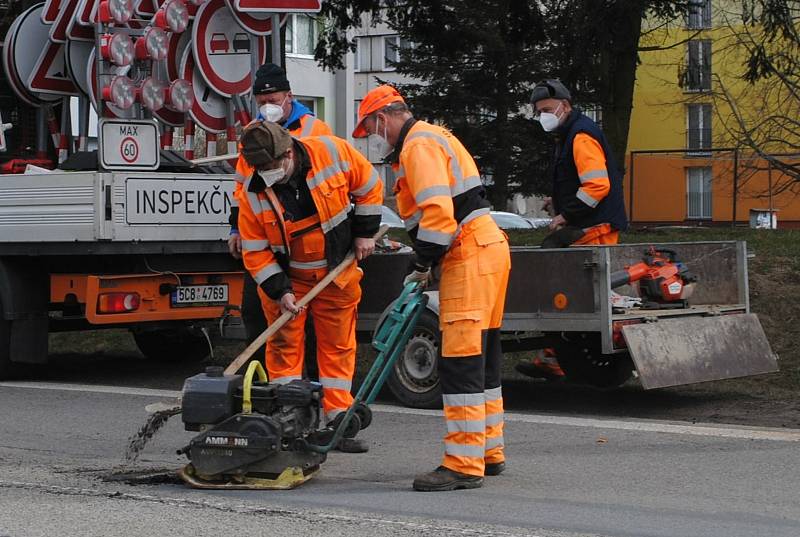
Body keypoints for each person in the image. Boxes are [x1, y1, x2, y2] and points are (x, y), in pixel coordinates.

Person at [353, 85, 511, 491]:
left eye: (374, 130)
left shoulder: (416, 146)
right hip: (489, 247)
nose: (377, 138)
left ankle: (462, 462)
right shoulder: (437, 136)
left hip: (467, 253)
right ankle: (488, 451)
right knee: (485, 355)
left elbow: (438, 215)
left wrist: (422, 262)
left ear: (381, 119)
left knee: (458, 362)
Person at [237, 121, 383, 453]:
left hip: (336, 273)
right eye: (260, 169)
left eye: (271, 167)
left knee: (337, 347)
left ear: (288, 153)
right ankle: (290, 418)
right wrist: (281, 291)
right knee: (285, 346)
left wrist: (364, 232)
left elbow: (370, 186)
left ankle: (337, 420)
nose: (266, 174)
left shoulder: (332, 152)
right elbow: (255, 250)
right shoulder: (253, 187)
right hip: (290, 281)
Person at [516, 79, 628, 380]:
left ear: (565, 106)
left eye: (548, 110)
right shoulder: (572, 133)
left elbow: (597, 185)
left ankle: (555, 354)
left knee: (552, 267)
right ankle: (554, 353)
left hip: (594, 226)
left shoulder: (579, 136)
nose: (544, 117)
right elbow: (586, 181)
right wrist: (559, 201)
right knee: (561, 279)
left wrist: (566, 214)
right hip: (593, 222)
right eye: (539, 112)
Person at [228, 63, 333, 364]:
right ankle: (260, 378)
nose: (267, 108)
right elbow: (242, 186)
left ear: (289, 96)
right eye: (261, 103)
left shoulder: (315, 129)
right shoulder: (253, 133)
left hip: (305, 234)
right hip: (264, 232)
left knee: (306, 314)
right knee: (255, 308)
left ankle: (308, 378)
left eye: (272, 101)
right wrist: (236, 227)